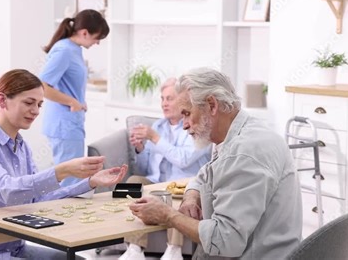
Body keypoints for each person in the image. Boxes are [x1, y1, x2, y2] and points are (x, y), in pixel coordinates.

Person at [0, 69, 127, 260]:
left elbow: (39, 199)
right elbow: (5, 188)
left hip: (14, 248)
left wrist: (90, 182)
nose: (35, 111)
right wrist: (62, 171)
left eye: (39, 105)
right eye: (28, 103)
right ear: (2, 100)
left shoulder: (22, 147)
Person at [128, 68, 302, 259]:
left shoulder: (244, 152)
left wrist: (169, 215)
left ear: (211, 105)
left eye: (186, 113)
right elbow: (205, 173)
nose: (184, 124)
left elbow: (224, 241)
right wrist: (191, 196)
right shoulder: (239, 133)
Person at [120, 78, 212, 260]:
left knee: (171, 194)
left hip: (183, 184)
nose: (164, 104)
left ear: (183, 100)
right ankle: (135, 248)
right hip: (157, 183)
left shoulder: (195, 125)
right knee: (133, 182)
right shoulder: (158, 126)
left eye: (169, 98)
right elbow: (144, 168)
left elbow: (183, 159)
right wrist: (140, 149)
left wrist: (155, 138)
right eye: (162, 99)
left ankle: (174, 250)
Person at [39, 9, 109, 187]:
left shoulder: (74, 49)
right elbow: (42, 87)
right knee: (71, 180)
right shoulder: (64, 50)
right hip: (64, 125)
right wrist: (72, 102)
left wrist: (78, 101)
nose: (98, 43)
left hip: (71, 123)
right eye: (97, 37)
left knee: (75, 177)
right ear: (84, 32)